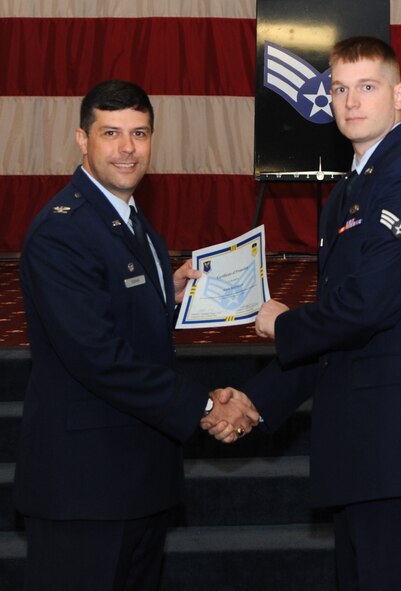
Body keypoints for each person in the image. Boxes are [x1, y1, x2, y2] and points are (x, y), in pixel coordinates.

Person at [205, 37, 401, 590]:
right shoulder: (345, 195)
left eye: (367, 86)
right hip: (365, 449)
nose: (351, 101)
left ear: (400, 95)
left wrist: (284, 323)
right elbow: (338, 330)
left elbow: (367, 307)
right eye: (339, 88)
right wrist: (258, 399)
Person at [14, 80, 260, 590]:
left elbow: (112, 313)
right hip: (84, 490)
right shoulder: (63, 229)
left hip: (136, 482)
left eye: (139, 133)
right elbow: (98, 356)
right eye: (111, 133)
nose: (128, 148)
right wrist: (208, 408)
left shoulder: (133, 222)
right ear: (83, 139)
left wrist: (165, 296)